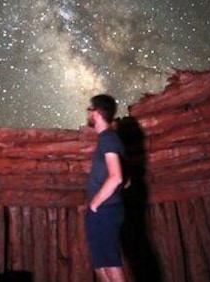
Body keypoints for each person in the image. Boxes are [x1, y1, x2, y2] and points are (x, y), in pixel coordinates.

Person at [85, 94, 127, 282]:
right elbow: (127, 180)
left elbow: (117, 177)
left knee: (110, 265)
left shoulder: (108, 138)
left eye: (90, 109)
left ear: (97, 113)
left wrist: (95, 203)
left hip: (105, 210)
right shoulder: (108, 139)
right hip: (103, 211)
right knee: (101, 266)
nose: (88, 113)